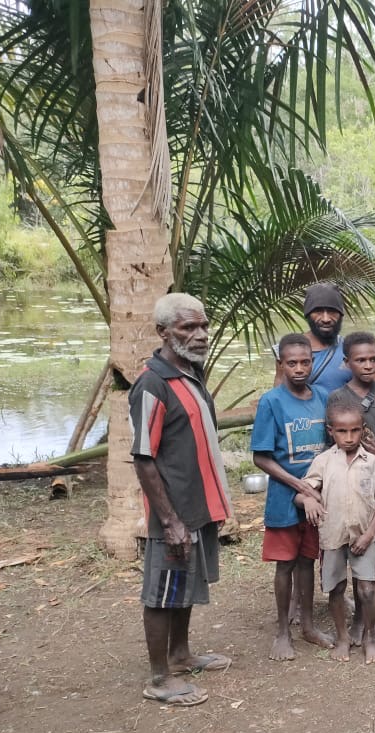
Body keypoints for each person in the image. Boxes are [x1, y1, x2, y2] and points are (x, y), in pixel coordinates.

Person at [129, 293, 233, 707]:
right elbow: (143, 457)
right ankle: (159, 678)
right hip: (172, 511)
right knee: (162, 590)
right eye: (188, 327)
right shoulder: (152, 383)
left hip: (198, 503)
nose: (201, 334)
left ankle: (181, 654)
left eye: (203, 325)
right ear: (163, 332)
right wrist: (169, 519)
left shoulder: (191, 371)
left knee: (184, 582)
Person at [252, 333, 333, 661]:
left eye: (305, 362)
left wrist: (317, 488)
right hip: (285, 497)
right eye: (292, 363)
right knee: (285, 564)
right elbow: (261, 457)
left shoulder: (323, 397)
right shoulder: (271, 401)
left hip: (317, 496)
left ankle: (308, 626)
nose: (299, 369)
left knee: (307, 561)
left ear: (313, 362)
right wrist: (300, 486)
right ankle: (283, 632)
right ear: (281, 364)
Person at [296, 392, 375, 663]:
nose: (349, 437)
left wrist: (370, 533)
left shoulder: (371, 462)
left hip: (364, 537)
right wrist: (308, 501)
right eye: (342, 431)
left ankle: (369, 638)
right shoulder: (323, 461)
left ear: (363, 429)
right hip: (333, 537)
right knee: (336, 589)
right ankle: (342, 638)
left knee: (367, 590)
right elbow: (302, 493)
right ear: (331, 431)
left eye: (354, 431)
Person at [330, 331, 375, 643]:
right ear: (347, 362)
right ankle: (349, 612)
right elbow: (332, 442)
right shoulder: (338, 398)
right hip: (348, 486)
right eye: (360, 360)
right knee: (345, 546)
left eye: (373, 359)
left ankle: (364, 616)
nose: (368, 365)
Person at [274, 281, 353, 392]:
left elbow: (369, 387)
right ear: (308, 314)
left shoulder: (352, 349)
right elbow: (279, 393)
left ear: (340, 314)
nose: (326, 319)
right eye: (318, 311)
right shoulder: (286, 350)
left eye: (332, 311)